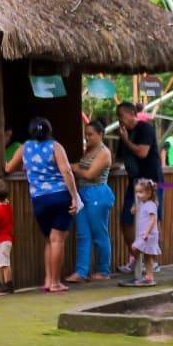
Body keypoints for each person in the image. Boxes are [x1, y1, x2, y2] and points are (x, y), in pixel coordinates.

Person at [6, 117, 80, 292]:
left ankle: (48, 280)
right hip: (60, 196)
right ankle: (55, 283)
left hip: (39, 199)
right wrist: (74, 196)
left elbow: (8, 168)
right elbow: (66, 171)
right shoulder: (55, 147)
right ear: (49, 130)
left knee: (49, 240)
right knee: (57, 241)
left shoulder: (25, 148)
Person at [114, 101, 164, 274]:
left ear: (131, 114)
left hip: (151, 182)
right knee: (126, 221)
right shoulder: (123, 134)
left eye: (121, 115)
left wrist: (126, 140)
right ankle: (137, 259)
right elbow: (118, 160)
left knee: (149, 221)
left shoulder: (145, 129)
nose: (119, 119)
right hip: (134, 183)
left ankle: (152, 262)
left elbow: (142, 152)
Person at [67, 117, 114, 282]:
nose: (87, 137)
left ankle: (103, 270)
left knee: (99, 233)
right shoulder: (88, 150)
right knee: (83, 234)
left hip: (97, 193)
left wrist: (73, 167)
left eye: (91, 134)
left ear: (101, 134)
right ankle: (81, 271)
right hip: (83, 193)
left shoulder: (104, 153)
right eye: (86, 134)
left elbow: (90, 174)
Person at [130, 178, 162, 285]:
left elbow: (153, 220)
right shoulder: (142, 203)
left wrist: (147, 233)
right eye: (137, 192)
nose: (138, 195)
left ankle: (134, 261)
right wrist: (134, 209)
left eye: (140, 192)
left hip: (149, 234)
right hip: (143, 234)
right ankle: (149, 276)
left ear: (148, 193)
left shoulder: (150, 205)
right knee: (148, 257)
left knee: (135, 247)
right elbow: (136, 212)